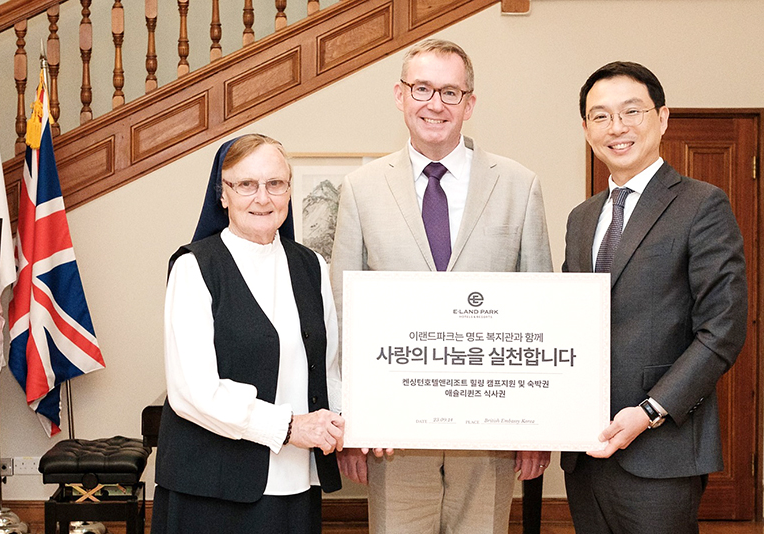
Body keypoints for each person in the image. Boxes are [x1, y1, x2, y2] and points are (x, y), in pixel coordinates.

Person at [330, 39, 553, 534]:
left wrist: (540, 425)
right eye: (423, 88)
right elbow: (344, 312)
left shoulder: (519, 185)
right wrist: (352, 423)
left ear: (470, 103)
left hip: (491, 430)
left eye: (450, 92)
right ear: (400, 96)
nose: (435, 103)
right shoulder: (361, 189)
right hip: (393, 433)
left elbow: (541, 312)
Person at [560, 61, 747, 534]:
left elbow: (722, 329)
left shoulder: (702, 204)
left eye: (631, 111)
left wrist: (648, 412)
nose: (616, 128)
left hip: (660, 450)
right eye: (599, 116)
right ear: (585, 128)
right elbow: (565, 321)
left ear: (662, 118)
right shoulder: (581, 218)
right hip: (586, 450)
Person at [152, 134, 345, 534]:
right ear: (222, 195)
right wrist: (290, 427)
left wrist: (357, 426)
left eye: (275, 184)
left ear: (289, 191)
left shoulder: (311, 267)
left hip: (293, 481)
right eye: (246, 185)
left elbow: (327, 372)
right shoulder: (194, 268)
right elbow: (192, 391)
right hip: (212, 489)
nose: (263, 198)